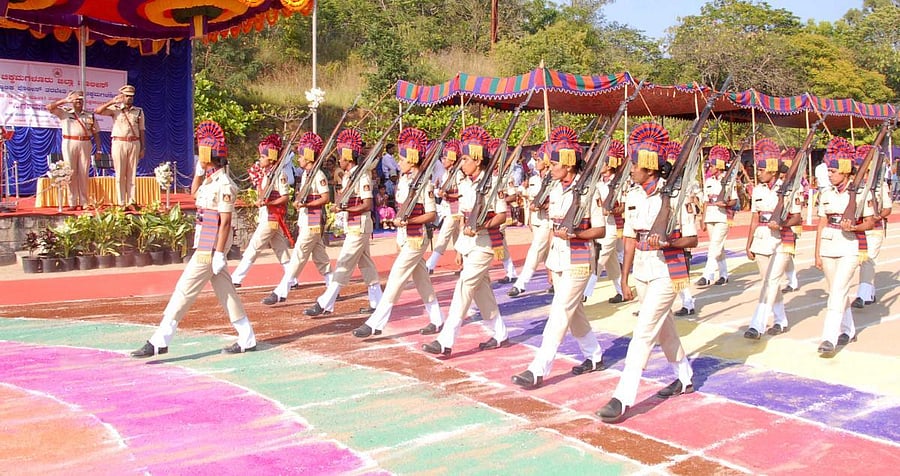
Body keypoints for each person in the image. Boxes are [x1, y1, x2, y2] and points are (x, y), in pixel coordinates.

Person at [596, 122, 696, 423]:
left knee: (642, 333)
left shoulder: (676, 195)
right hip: (642, 269)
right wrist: (623, 278)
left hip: (667, 270)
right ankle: (684, 376)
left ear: (650, 168)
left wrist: (668, 242)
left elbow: (691, 239)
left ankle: (623, 397)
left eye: (636, 166)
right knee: (664, 328)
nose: (632, 170)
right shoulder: (635, 194)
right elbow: (629, 238)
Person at [131, 120, 256, 357]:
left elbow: (226, 222)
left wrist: (219, 253)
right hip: (205, 242)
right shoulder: (210, 181)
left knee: (184, 290)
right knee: (226, 293)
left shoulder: (225, 185)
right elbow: (194, 192)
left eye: (203, 151)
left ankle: (161, 338)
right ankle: (247, 337)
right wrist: (199, 170)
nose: (200, 155)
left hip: (210, 247)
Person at [510, 127, 605, 388]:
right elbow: (553, 228)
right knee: (574, 313)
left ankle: (538, 368)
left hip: (579, 259)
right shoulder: (555, 189)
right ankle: (594, 355)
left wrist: (576, 234)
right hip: (559, 259)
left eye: (554, 164)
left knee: (560, 311)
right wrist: (550, 264)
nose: (550, 168)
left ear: (568, 165)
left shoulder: (588, 192)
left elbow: (601, 229)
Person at [423, 126, 509, 356]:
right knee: (482, 292)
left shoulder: (493, 183)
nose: (462, 163)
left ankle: (445, 340)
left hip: (485, 244)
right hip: (469, 244)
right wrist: (460, 247)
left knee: (463, 288)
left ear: (478, 161)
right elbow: (462, 217)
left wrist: (484, 225)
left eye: (466, 159)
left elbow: (502, 214)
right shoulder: (465, 182)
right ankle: (500, 333)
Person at [352, 128, 445, 337]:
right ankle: (437, 319)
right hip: (405, 237)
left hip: (417, 237)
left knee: (396, 277)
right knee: (422, 280)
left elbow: (431, 214)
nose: (399, 161)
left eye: (402, 158)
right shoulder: (404, 180)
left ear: (412, 160)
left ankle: (376, 322)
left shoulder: (424, 184)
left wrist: (408, 220)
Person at [305, 129, 383, 317]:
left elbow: (367, 204)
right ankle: (377, 301)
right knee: (366, 264)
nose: (339, 160)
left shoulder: (362, 176)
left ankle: (326, 302)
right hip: (354, 225)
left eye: (341, 156)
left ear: (348, 157)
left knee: (344, 262)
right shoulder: (349, 176)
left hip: (360, 226)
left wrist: (344, 209)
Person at [814, 137, 874, 356]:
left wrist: (855, 228)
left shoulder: (859, 192)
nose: (830, 174)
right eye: (829, 170)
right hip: (829, 246)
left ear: (846, 171)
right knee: (836, 291)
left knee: (838, 291)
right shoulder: (826, 193)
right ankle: (848, 330)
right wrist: (817, 253)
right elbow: (821, 223)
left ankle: (828, 338)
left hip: (849, 246)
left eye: (833, 171)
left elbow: (870, 221)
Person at [261, 132, 334, 305]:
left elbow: (325, 198)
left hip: (313, 221)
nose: (298, 159)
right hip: (306, 220)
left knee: (298, 255)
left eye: (301, 156)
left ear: (308, 157)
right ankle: (332, 286)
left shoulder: (318, 175)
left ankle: (282, 290)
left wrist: (306, 205)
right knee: (320, 258)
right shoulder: (307, 174)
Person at [743, 139, 801, 339]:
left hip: (781, 240)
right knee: (767, 282)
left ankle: (757, 325)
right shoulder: (758, 190)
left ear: (773, 171)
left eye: (761, 169)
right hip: (761, 239)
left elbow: (797, 216)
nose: (758, 172)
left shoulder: (787, 189)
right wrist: (748, 243)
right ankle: (780, 320)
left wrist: (782, 224)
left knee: (771, 281)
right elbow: (754, 218)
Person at [231, 134, 295, 288]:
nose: (260, 160)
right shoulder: (268, 174)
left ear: (271, 158)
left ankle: (237, 277)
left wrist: (268, 202)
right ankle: (292, 278)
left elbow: (285, 197)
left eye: (262, 157)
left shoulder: (279, 175)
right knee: (280, 249)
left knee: (254, 246)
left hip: (272, 217)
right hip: (268, 215)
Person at [583, 139, 627, 303]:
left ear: (609, 165)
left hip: (609, 228)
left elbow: (622, 206)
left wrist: (611, 210)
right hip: (598, 225)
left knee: (598, 262)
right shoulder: (598, 182)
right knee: (612, 264)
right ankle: (621, 291)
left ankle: (585, 293)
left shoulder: (619, 183)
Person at [508, 143, 553, 297]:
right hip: (535, 220)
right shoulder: (533, 177)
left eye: (539, 159)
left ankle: (521, 283)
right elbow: (524, 192)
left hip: (547, 220)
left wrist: (546, 204)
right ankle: (553, 281)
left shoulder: (553, 178)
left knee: (535, 250)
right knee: (546, 252)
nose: (536, 162)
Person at [47, 90, 100, 210]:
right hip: (69, 142)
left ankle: (84, 202)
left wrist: (99, 150)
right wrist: (65, 100)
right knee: (70, 173)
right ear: (72, 101)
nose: (79, 101)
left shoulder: (89, 115)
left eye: (81, 99)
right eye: (76, 99)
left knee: (83, 172)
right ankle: (72, 202)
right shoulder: (64, 112)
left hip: (85, 143)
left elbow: (96, 133)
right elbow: (49, 107)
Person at [853, 145, 892, 308]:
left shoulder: (879, 185)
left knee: (868, 260)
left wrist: (878, 216)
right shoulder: (854, 185)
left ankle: (862, 296)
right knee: (862, 261)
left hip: (874, 229)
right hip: (859, 228)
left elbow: (887, 209)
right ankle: (870, 292)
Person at [96, 84, 145, 208]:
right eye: (127, 96)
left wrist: (143, 147)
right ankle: (121, 202)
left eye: (131, 96)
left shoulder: (138, 111)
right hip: (119, 142)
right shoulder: (115, 109)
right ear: (122, 96)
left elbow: (142, 129)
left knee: (132, 173)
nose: (129, 98)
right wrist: (112, 101)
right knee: (120, 173)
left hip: (134, 142)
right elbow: (98, 111)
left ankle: (131, 201)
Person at [697, 145, 737, 287]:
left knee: (714, 245)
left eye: (712, 165)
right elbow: (706, 202)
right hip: (710, 217)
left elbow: (734, 200)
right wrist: (703, 219)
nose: (710, 168)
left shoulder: (727, 181)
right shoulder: (709, 181)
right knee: (718, 247)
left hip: (723, 217)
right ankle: (724, 275)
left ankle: (707, 275)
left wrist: (725, 204)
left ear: (718, 166)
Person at [426, 140, 464, 273]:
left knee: (444, 236)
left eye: (445, 158)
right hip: (448, 209)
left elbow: (462, 193)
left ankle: (431, 264)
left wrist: (447, 196)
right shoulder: (446, 174)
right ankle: (463, 264)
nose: (442, 160)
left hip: (456, 210)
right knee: (456, 238)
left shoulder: (458, 174)